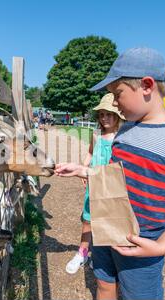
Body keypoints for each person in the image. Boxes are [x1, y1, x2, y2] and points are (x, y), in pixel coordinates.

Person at [55, 48, 165, 300]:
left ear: (147, 86)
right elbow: (117, 177)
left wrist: (162, 245)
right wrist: (85, 171)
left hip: (143, 240)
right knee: (104, 283)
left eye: (117, 94)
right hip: (107, 224)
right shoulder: (126, 130)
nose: (115, 102)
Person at [66, 93, 125, 274]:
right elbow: (91, 153)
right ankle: (82, 252)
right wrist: (83, 167)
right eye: (101, 114)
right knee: (88, 220)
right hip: (94, 185)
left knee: (108, 222)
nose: (105, 118)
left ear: (117, 116)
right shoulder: (96, 135)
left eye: (109, 114)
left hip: (113, 187)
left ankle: (100, 256)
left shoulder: (121, 137)